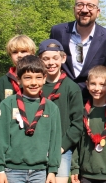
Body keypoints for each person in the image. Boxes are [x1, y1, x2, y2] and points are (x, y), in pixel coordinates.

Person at [0, 55, 62, 183]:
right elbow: (0, 138)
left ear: (45, 78)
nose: (34, 82)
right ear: (19, 79)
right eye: (28, 78)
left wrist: (52, 170)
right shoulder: (7, 105)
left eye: (38, 77)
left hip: (40, 171)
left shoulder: (51, 108)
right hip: (12, 171)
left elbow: (55, 141)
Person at [50, 0, 106, 102]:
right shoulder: (57, 32)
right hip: (60, 97)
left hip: (91, 101)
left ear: (98, 12)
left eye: (90, 6)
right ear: (74, 9)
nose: (85, 10)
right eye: (80, 5)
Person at [38, 39, 84, 183]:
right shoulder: (35, 86)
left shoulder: (72, 88)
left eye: (55, 58)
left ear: (63, 58)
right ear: (39, 60)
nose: (50, 63)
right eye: (45, 59)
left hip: (61, 149)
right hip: (37, 147)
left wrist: (62, 147)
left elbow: (77, 124)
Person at [71, 65, 106, 183]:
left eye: (102, 84)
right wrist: (75, 167)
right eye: (93, 83)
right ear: (87, 84)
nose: (97, 88)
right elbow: (76, 140)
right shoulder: (82, 111)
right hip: (86, 173)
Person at [0, 35, 36, 107]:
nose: (19, 55)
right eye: (15, 52)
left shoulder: (38, 79)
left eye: (23, 51)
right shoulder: (4, 81)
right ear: (10, 55)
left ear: (32, 54)